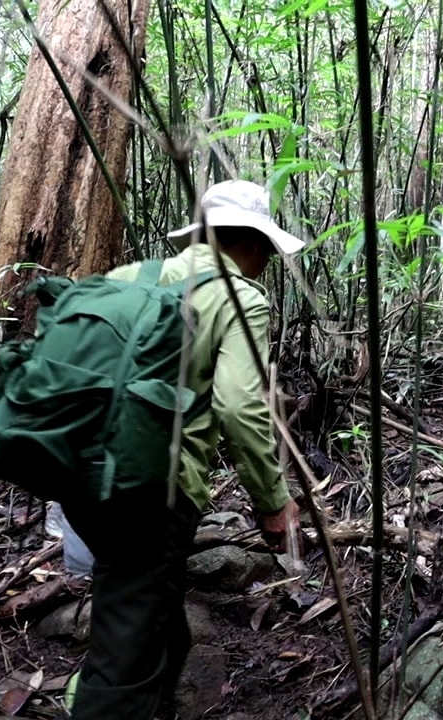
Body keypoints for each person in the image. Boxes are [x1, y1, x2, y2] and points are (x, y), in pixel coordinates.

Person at [61, 180, 303, 720]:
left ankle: (157, 698)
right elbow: (240, 407)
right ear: (256, 242)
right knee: (126, 657)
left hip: (78, 476)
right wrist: (272, 501)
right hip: (152, 491)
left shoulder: (132, 278)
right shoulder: (240, 298)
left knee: (149, 615)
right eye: (267, 247)